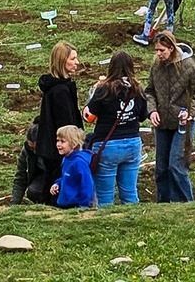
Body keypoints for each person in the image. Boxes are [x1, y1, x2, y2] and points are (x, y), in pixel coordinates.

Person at [144, 28, 195, 202]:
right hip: (162, 123)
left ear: (171, 48)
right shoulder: (156, 66)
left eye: (162, 50)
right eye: (156, 50)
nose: (158, 54)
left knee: (176, 166)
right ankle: (164, 204)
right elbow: (149, 91)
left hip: (183, 123)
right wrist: (152, 110)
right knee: (161, 168)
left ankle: (187, 204)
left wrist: (191, 113)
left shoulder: (189, 66)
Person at [85, 50, 146, 206]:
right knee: (130, 193)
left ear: (111, 67)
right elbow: (142, 116)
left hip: (108, 145)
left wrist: (92, 94)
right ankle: (133, 218)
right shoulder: (138, 89)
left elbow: (88, 116)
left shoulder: (103, 89)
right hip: (132, 143)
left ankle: (107, 219)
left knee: (104, 196)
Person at [27, 41, 83, 203]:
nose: (77, 62)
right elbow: (66, 124)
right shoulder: (60, 91)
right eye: (73, 59)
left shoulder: (57, 87)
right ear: (62, 61)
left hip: (52, 147)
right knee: (58, 185)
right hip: (58, 150)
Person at [50, 125, 96, 209]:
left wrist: (84, 205)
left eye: (62, 141)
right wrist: (58, 184)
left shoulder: (79, 162)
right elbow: (66, 177)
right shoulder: (66, 159)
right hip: (65, 204)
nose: (58, 144)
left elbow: (87, 184)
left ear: (74, 144)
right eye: (57, 140)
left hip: (77, 206)